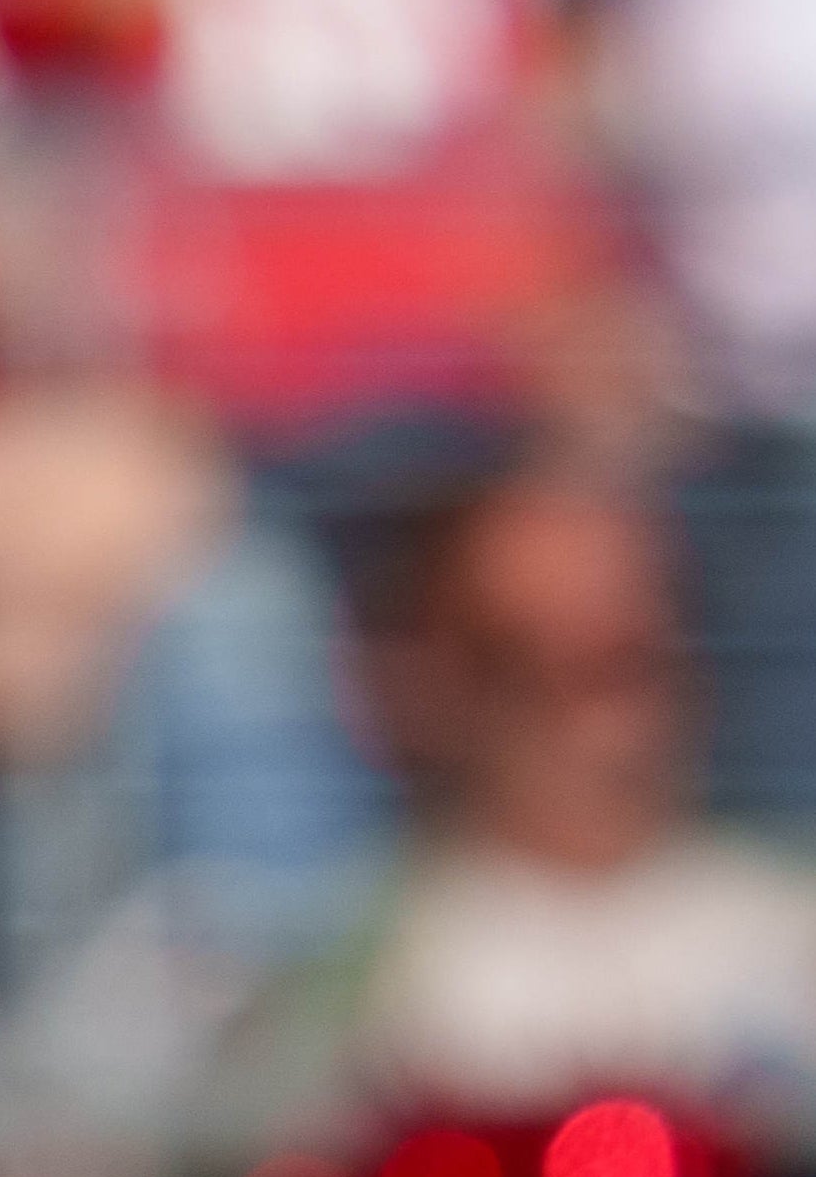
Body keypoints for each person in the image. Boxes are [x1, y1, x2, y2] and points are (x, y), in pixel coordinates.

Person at [341, 465, 816, 1121]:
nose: (589, 718)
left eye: (622, 657)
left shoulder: (790, 935)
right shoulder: (362, 973)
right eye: (517, 663)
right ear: (434, 680)